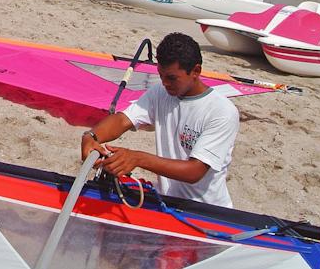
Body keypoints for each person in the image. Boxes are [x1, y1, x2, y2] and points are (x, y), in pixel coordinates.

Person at [79, 33, 239, 207]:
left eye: (171, 78)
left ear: (196, 71)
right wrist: (91, 137)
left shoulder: (222, 112)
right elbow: (123, 120)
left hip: (206, 210)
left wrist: (137, 158)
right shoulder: (160, 93)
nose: (164, 83)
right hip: (166, 201)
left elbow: (195, 171)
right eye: (161, 76)